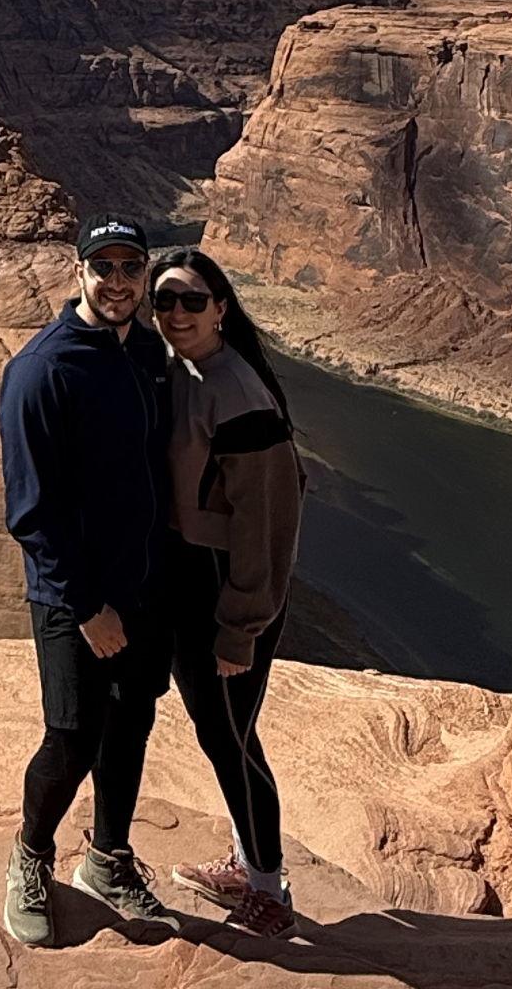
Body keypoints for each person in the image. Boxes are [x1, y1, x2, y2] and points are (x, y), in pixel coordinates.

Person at [0, 214, 179, 947]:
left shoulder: (145, 355)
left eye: (129, 268)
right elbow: (30, 514)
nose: (116, 282)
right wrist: (86, 606)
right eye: (101, 267)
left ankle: (107, 859)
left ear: (145, 275)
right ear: (78, 273)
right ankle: (30, 858)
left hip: (144, 584)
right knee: (72, 735)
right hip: (74, 596)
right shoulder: (43, 370)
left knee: (131, 720)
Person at [152, 248, 304, 940]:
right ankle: (249, 860)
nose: (177, 313)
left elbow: (268, 526)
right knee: (223, 736)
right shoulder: (186, 371)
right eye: (165, 301)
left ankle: (268, 890)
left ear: (221, 307)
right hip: (192, 577)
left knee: (231, 740)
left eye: (192, 299)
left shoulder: (238, 393)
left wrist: (241, 625)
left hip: (227, 589)